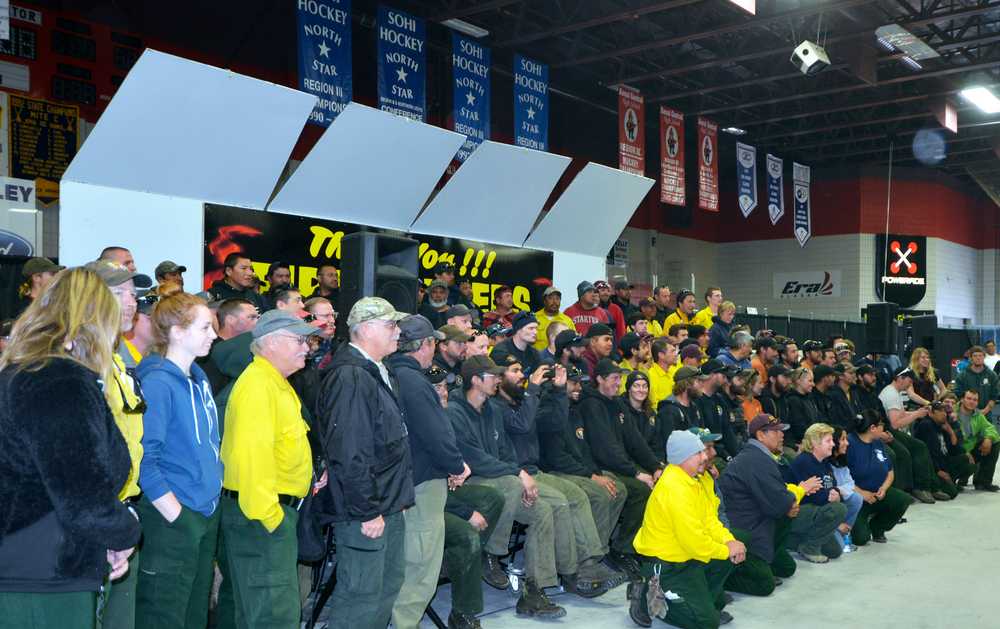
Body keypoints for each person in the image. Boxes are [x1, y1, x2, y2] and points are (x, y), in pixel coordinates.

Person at [0, 267, 142, 628]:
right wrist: (125, 533)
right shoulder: (57, 378)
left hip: (42, 565)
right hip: (40, 575)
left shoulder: (34, 371)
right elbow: (82, 496)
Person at [447, 354, 569, 619]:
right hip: (469, 482)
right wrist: (518, 475)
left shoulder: (491, 409)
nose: (498, 380)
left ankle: (535, 590)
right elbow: (475, 459)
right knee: (512, 485)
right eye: (492, 376)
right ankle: (491, 553)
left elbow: (505, 451)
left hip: (501, 479)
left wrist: (519, 473)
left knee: (543, 510)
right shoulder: (454, 412)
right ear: (476, 381)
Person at [318, 297, 412, 629]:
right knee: (361, 595)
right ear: (366, 329)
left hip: (388, 500)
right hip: (366, 508)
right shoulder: (350, 376)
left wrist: (396, 500)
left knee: (388, 584)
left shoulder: (377, 370)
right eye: (391, 325)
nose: (398, 332)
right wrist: (367, 509)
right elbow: (349, 451)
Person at [494, 355, 625, 593]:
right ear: (499, 377)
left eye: (521, 371)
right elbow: (522, 425)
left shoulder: (523, 402)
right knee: (562, 502)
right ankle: (572, 572)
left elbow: (553, 424)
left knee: (577, 496)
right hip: (514, 474)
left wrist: (557, 391)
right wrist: (533, 389)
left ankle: (589, 561)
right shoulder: (498, 406)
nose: (522, 375)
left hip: (534, 470)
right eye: (515, 371)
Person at [133, 293, 222, 629]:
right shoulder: (157, 383)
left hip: (204, 515)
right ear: (176, 332)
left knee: (194, 616)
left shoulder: (198, 381)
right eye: (204, 327)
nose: (213, 335)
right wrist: (176, 515)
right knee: (163, 615)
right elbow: (144, 457)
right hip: (174, 520)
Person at [386, 316, 471, 629]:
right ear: (423, 345)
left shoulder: (390, 372)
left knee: (409, 554)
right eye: (433, 342)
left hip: (404, 478)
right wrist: (457, 465)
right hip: (422, 480)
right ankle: (405, 622)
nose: (434, 348)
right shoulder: (415, 382)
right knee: (421, 560)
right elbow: (435, 433)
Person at [82, 260, 150, 629]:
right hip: (94, 519)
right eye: (119, 293)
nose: (132, 301)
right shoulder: (81, 362)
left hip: (123, 509)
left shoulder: (116, 363)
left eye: (133, 293)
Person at [632, 431, 743, 629]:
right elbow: (695, 543)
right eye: (698, 453)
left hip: (685, 557)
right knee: (706, 623)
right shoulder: (675, 489)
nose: (705, 456)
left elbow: (710, 520)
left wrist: (729, 541)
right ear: (681, 458)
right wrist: (727, 550)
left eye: (703, 452)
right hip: (667, 565)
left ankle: (702, 603)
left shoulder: (692, 480)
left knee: (729, 555)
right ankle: (646, 598)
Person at [425, 367, 508, 629]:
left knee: (493, 498)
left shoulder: (443, 417)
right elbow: (423, 488)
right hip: (423, 502)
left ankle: (457, 563)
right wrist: (466, 513)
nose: (443, 391)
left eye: (444, 386)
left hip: (446, 490)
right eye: (436, 388)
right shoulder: (421, 424)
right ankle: (463, 611)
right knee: (467, 534)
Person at [579, 359, 663, 578]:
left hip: (619, 464)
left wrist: (654, 466)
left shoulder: (617, 404)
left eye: (620, 378)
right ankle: (621, 548)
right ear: (600, 379)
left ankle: (639, 543)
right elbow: (604, 448)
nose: (619, 383)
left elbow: (635, 441)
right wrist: (636, 473)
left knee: (656, 484)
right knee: (640, 490)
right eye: (615, 378)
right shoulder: (591, 405)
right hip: (601, 467)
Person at [719, 415, 819, 597]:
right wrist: (794, 498)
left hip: (759, 523)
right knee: (764, 585)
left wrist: (789, 502)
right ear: (760, 435)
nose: (782, 435)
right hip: (745, 533)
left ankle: (764, 560)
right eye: (776, 431)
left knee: (787, 568)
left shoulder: (760, 456)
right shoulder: (756, 460)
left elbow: (780, 494)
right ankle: (724, 579)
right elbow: (780, 502)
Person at [847, 410, 911, 544]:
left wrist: (884, 487)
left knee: (902, 499)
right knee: (861, 539)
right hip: (857, 497)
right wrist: (861, 493)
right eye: (881, 424)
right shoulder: (850, 443)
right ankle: (858, 524)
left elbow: (890, 471)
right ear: (872, 428)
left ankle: (877, 528)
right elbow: (841, 477)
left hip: (877, 493)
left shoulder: (878, 443)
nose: (884, 428)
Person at [788, 424, 849, 562]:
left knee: (835, 550)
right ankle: (809, 548)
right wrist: (832, 496)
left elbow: (832, 487)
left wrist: (836, 494)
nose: (833, 444)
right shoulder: (804, 461)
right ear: (815, 443)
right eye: (828, 441)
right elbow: (812, 496)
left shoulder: (824, 462)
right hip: (798, 513)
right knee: (839, 509)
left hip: (816, 513)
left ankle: (797, 543)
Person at [879, 366, 938, 503]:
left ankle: (922, 486)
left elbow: (901, 414)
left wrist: (919, 412)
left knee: (918, 446)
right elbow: (895, 423)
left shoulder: (894, 392)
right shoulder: (891, 395)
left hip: (891, 429)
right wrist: (917, 414)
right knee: (917, 447)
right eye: (909, 381)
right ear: (900, 378)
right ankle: (918, 487)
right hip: (890, 430)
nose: (911, 384)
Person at [913, 400, 974, 499]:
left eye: (945, 411)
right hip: (932, 467)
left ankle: (949, 482)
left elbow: (952, 448)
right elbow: (930, 452)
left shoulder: (942, 424)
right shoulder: (927, 425)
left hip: (943, 461)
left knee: (966, 460)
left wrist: (951, 433)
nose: (944, 414)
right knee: (952, 493)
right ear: (931, 413)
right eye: (940, 411)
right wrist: (938, 470)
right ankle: (935, 486)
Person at [954, 389, 1000, 491]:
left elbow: (991, 429)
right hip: (955, 451)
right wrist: (964, 452)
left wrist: (988, 438)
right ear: (962, 399)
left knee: (994, 443)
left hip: (970, 450)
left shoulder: (978, 415)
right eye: (969, 398)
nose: (972, 402)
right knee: (963, 460)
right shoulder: (952, 412)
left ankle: (983, 482)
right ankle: (951, 481)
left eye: (975, 400)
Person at [656, 367, 707, 454]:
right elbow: (671, 446)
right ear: (687, 384)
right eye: (699, 381)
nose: (702, 385)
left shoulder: (694, 407)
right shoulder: (668, 411)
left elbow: (703, 436)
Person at [827, 427, 864, 550]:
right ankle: (836, 529)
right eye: (843, 439)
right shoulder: (823, 461)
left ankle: (844, 533)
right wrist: (837, 524)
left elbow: (850, 484)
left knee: (856, 498)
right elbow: (827, 493)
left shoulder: (841, 460)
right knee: (837, 548)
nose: (847, 443)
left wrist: (839, 491)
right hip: (826, 508)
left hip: (840, 501)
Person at [491, 311, 542, 376]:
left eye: (536, 328)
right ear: (518, 330)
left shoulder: (534, 354)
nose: (535, 332)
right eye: (531, 328)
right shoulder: (500, 352)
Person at [955, 345, 999, 416]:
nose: (978, 358)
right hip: (967, 414)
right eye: (975, 356)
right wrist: (970, 410)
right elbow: (958, 394)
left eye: (980, 355)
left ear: (984, 357)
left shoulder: (992, 375)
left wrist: (984, 411)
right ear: (971, 358)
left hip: (986, 415)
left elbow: (994, 397)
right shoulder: (962, 375)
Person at [783, 367, 818, 448]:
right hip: (800, 444)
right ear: (798, 381)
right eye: (810, 381)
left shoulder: (809, 398)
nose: (813, 384)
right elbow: (799, 428)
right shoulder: (793, 400)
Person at [534, 286, 574, 351]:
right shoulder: (534, 318)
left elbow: (573, 342)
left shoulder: (567, 320)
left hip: (559, 359)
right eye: (550, 298)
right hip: (537, 359)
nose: (554, 302)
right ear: (544, 301)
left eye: (557, 298)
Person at [648, 338, 679, 411]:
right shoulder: (650, 376)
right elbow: (653, 405)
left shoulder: (675, 371)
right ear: (661, 355)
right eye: (672, 351)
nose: (676, 354)